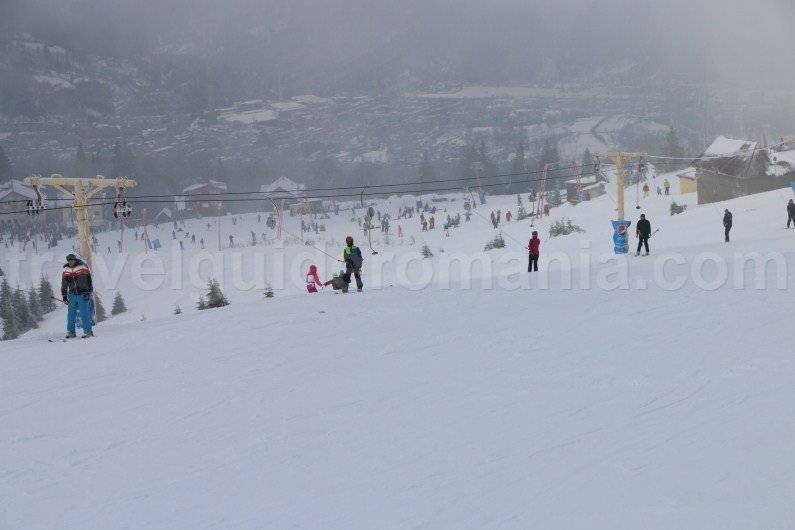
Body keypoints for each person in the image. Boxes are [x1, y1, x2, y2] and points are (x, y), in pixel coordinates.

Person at [61, 253, 93, 338]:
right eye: (69, 260)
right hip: (72, 295)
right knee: (71, 314)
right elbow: (64, 284)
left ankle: (88, 332)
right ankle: (71, 332)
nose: (70, 262)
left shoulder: (82, 267)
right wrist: (64, 296)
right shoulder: (66, 270)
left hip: (82, 294)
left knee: (83, 314)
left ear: (75, 260)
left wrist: (88, 293)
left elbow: (89, 280)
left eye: (72, 260)